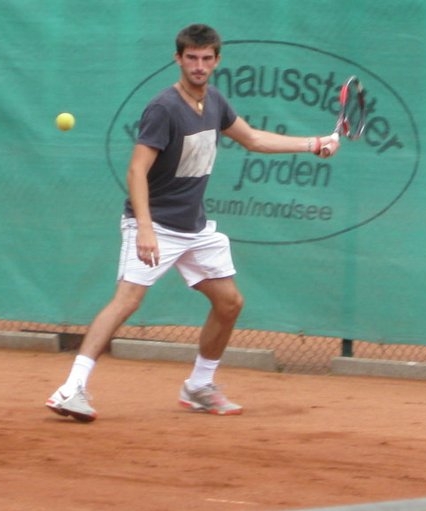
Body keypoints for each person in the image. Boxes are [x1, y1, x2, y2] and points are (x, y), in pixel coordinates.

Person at [46, 24, 339, 422]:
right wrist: (145, 227)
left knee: (229, 302)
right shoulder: (163, 108)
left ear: (216, 61)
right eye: (191, 58)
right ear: (178, 59)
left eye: (206, 58)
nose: (199, 66)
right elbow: (136, 170)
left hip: (194, 228)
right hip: (155, 223)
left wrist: (313, 144)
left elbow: (252, 139)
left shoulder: (214, 101)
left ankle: (199, 386)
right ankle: (71, 388)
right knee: (127, 300)